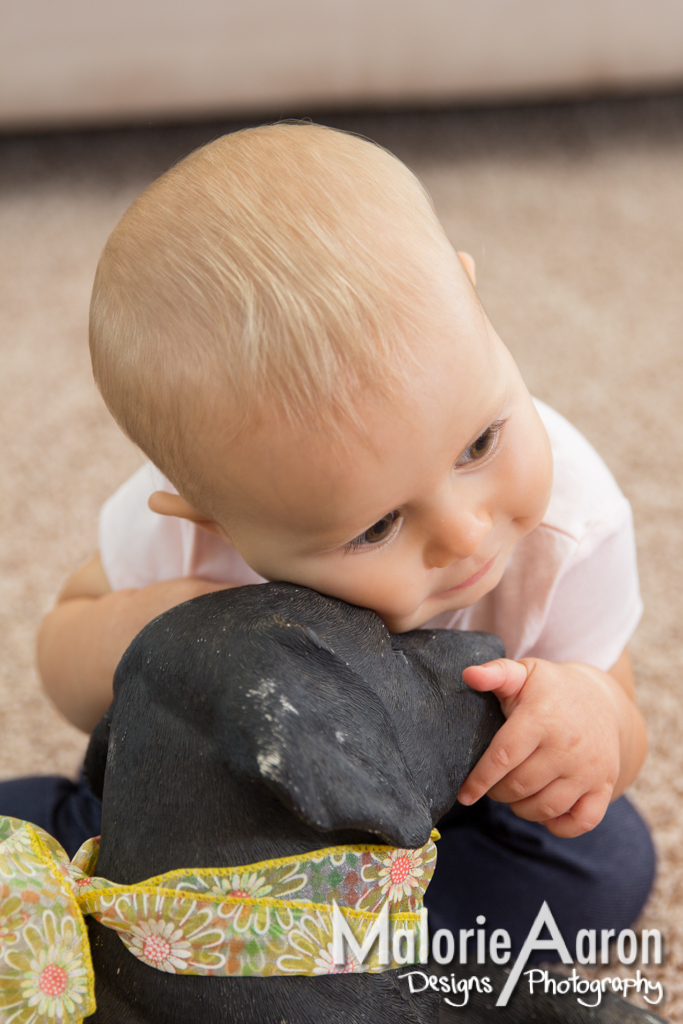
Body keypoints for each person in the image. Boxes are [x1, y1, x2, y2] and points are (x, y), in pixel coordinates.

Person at [1, 123, 654, 956]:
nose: (464, 532)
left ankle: (313, 953)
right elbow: (62, 655)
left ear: (474, 301)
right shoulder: (198, 540)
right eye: (376, 526)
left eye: (479, 444)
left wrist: (584, 718)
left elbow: (618, 713)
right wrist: (161, 628)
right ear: (212, 517)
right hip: (223, 805)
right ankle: (166, 916)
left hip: (449, 821)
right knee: (49, 831)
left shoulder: (568, 520)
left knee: (603, 862)